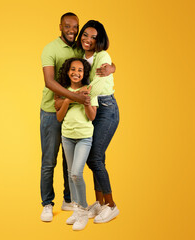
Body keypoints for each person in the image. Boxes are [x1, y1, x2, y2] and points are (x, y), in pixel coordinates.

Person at [40, 12, 115, 222]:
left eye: (76, 27)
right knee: (49, 161)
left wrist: (113, 68)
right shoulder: (51, 49)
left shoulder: (82, 49)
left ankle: (74, 201)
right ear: (60, 26)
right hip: (51, 109)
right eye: (68, 26)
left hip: (87, 109)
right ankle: (48, 203)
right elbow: (49, 81)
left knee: (75, 161)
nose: (73, 31)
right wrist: (74, 97)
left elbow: (103, 61)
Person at [75, 20, 120, 223]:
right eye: (85, 34)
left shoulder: (103, 56)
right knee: (95, 158)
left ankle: (112, 206)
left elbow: (100, 85)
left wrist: (78, 93)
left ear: (99, 39)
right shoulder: (80, 56)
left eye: (93, 37)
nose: (88, 39)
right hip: (91, 107)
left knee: (95, 157)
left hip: (106, 109)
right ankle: (100, 203)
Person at [56, 58, 97, 231]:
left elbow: (92, 116)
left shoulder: (89, 90)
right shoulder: (63, 91)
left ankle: (83, 211)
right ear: (67, 71)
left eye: (80, 70)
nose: (76, 73)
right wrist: (69, 100)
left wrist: (86, 102)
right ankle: (75, 208)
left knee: (76, 174)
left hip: (84, 137)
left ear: (84, 73)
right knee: (69, 173)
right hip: (67, 136)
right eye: (73, 69)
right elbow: (59, 117)